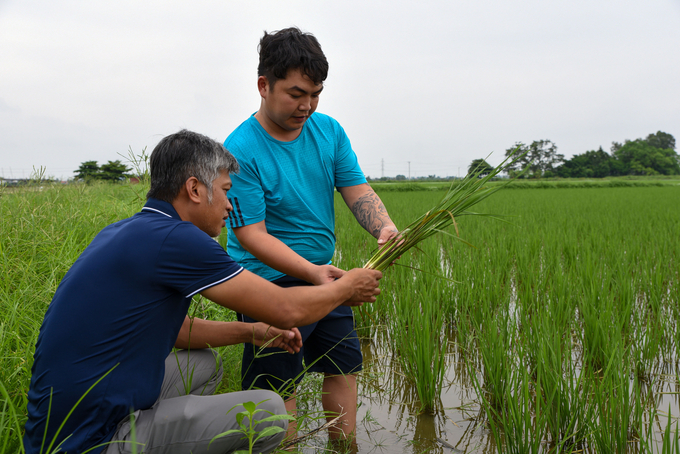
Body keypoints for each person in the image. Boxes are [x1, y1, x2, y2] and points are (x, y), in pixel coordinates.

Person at [23, 129, 383, 454]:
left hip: (58, 426)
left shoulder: (128, 231)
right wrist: (346, 288)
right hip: (92, 440)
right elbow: (286, 309)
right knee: (269, 412)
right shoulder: (177, 239)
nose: (229, 204)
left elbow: (177, 330)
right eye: (226, 191)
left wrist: (252, 331)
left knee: (205, 365)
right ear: (195, 189)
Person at [224, 27, 398, 442]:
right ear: (264, 85)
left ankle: (345, 448)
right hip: (268, 281)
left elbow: (356, 188)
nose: (307, 105)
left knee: (343, 368)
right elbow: (252, 235)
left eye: (316, 94)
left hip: (323, 273)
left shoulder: (329, 132)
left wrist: (384, 226)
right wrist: (314, 274)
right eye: (296, 93)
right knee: (277, 385)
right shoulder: (239, 149)